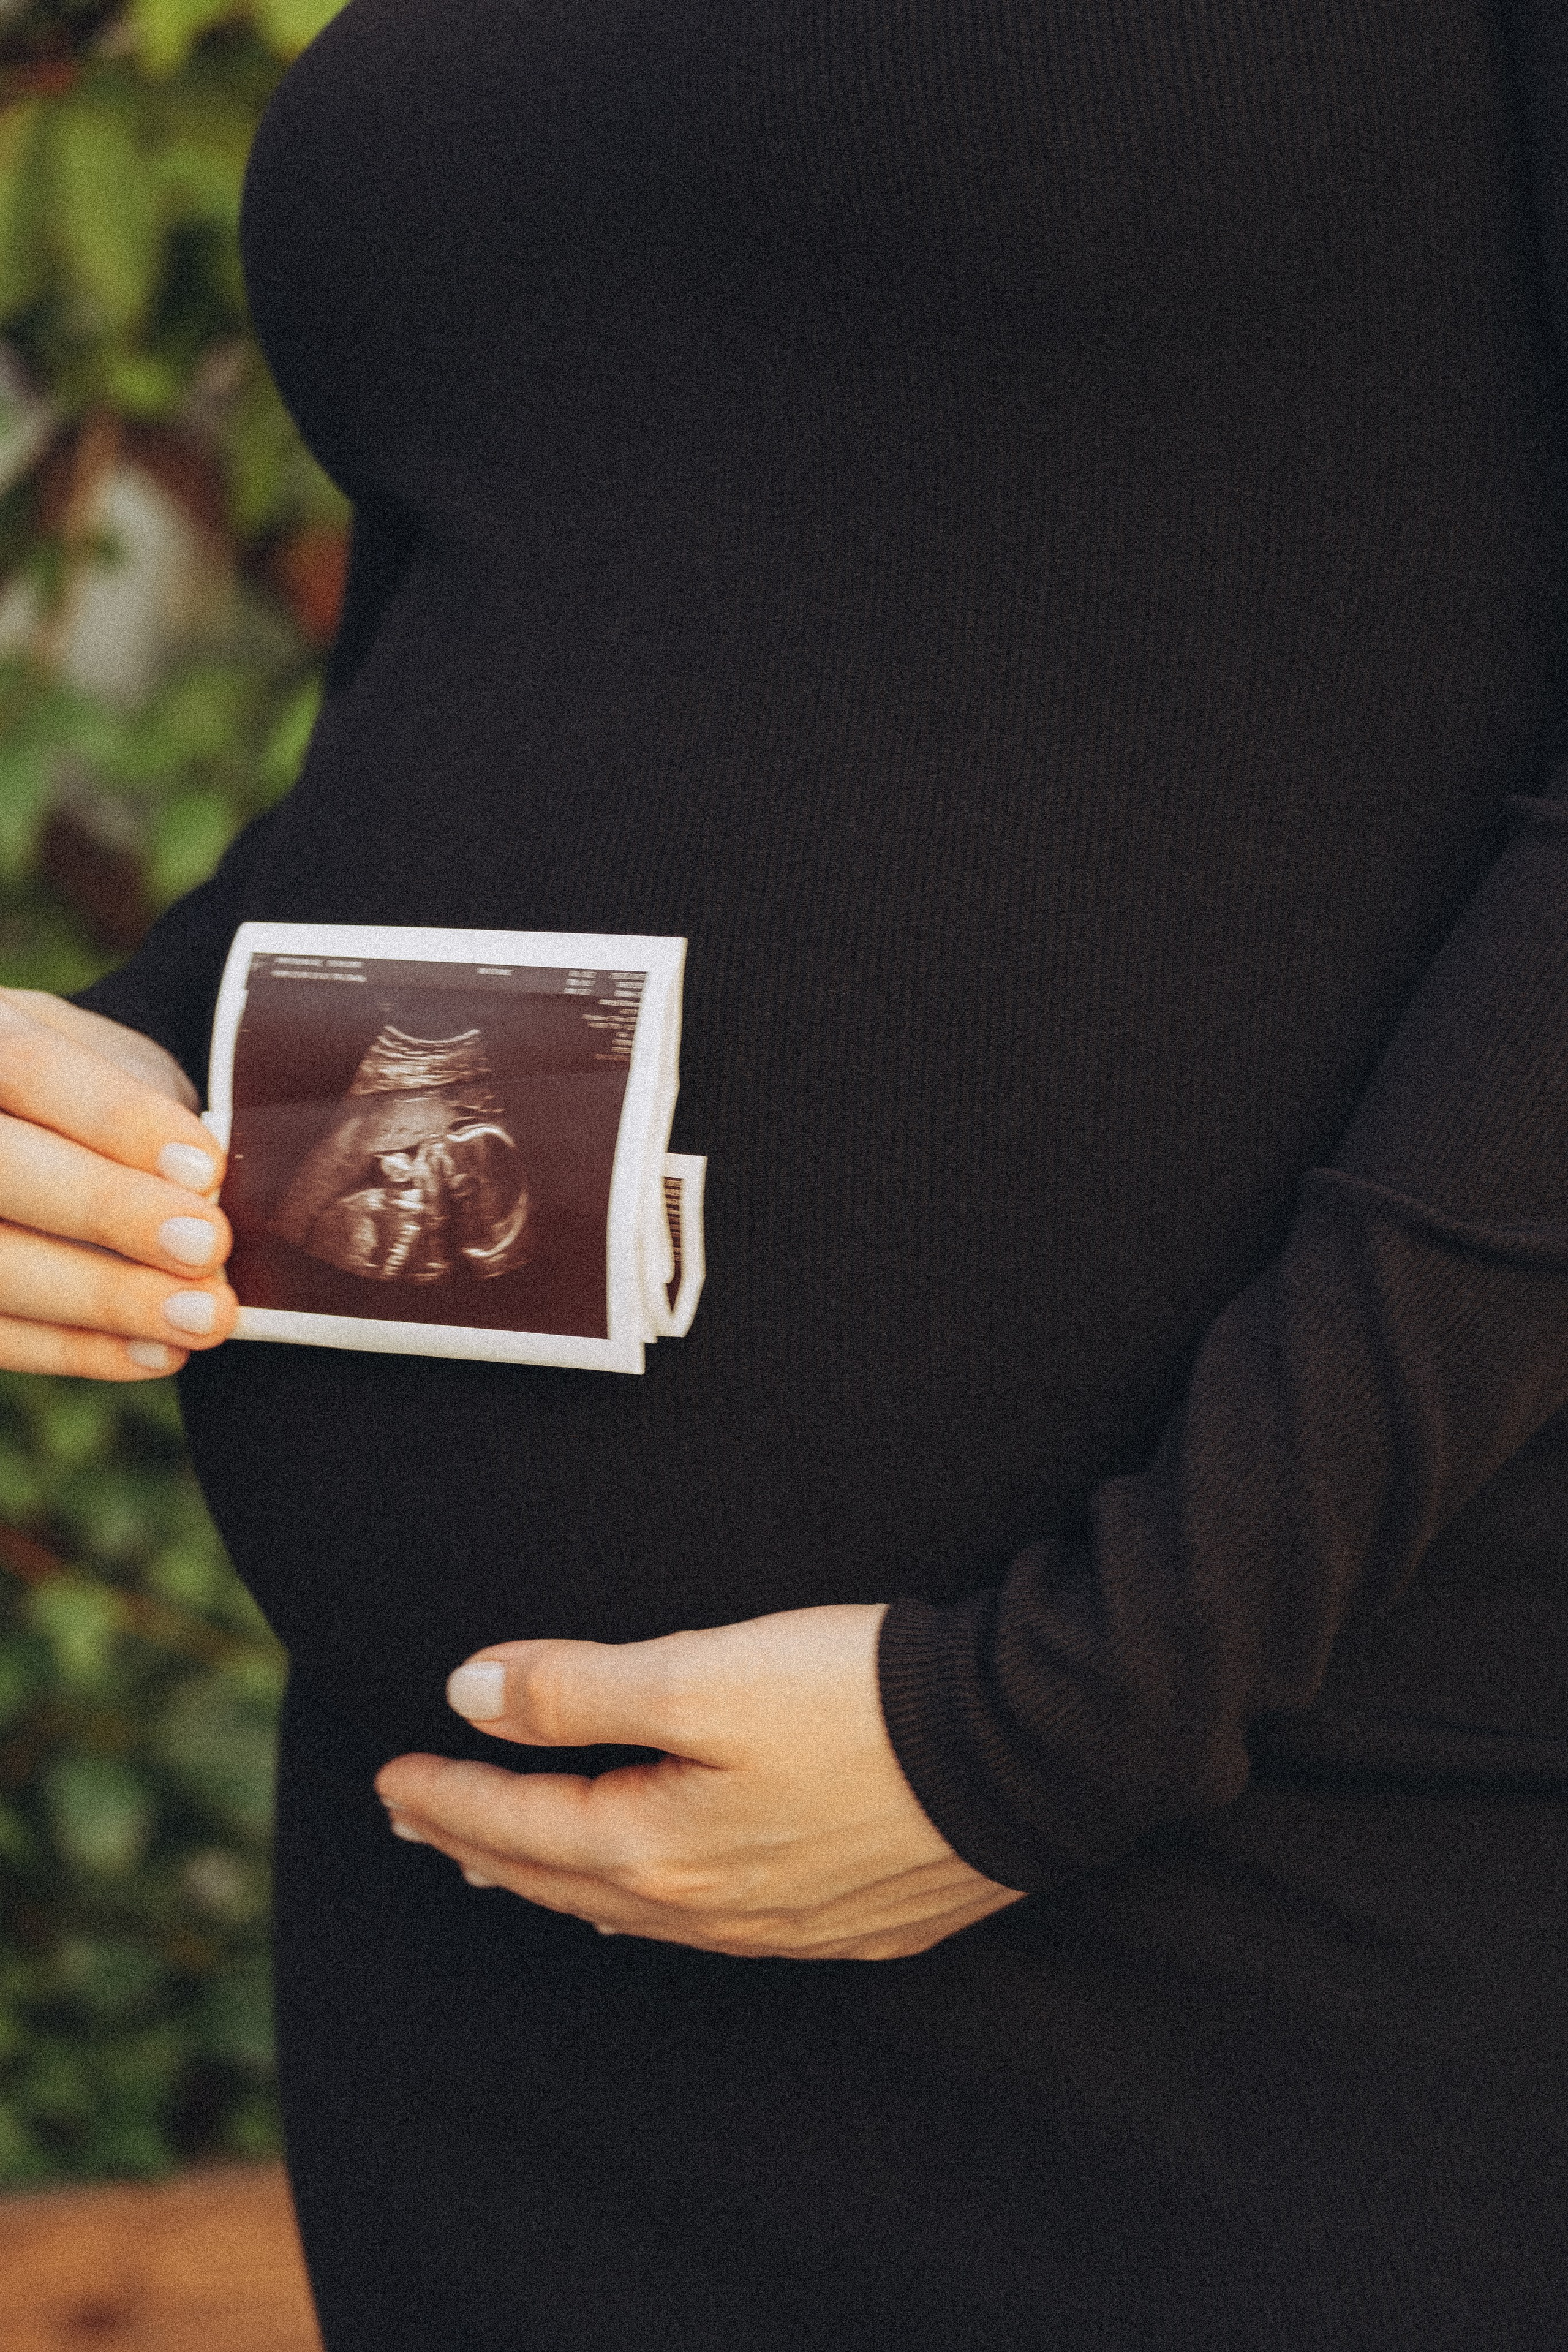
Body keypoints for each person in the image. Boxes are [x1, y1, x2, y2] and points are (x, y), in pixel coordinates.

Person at [3, 2, 1567, 2343]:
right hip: (487, 1893)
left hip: (1290, 1838)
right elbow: (542, 651)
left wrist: (1072, 1710)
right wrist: (136, 1056)